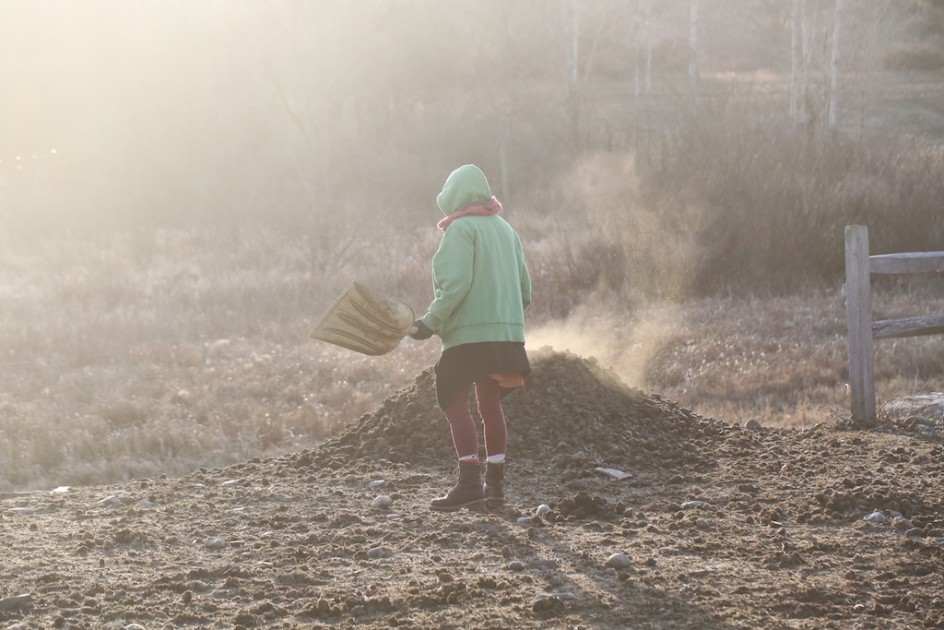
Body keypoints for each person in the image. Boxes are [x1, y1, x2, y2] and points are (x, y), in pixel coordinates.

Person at [410, 164, 532, 512]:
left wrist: (429, 324)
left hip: (468, 338)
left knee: (453, 401)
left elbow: (455, 287)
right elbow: (526, 291)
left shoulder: (460, 230)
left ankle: (468, 483)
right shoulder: (507, 231)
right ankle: (495, 487)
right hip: (506, 336)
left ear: (453, 198)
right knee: (489, 404)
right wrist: (504, 323)